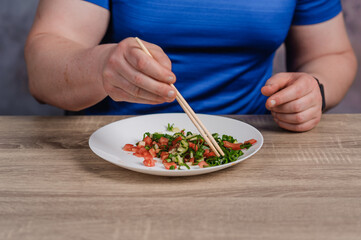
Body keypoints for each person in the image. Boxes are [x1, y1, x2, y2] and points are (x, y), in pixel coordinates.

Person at [25, 0, 357, 132]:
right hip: (115, 145)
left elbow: (331, 55)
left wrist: (316, 89)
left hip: (252, 142)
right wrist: (100, 67)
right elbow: (42, 70)